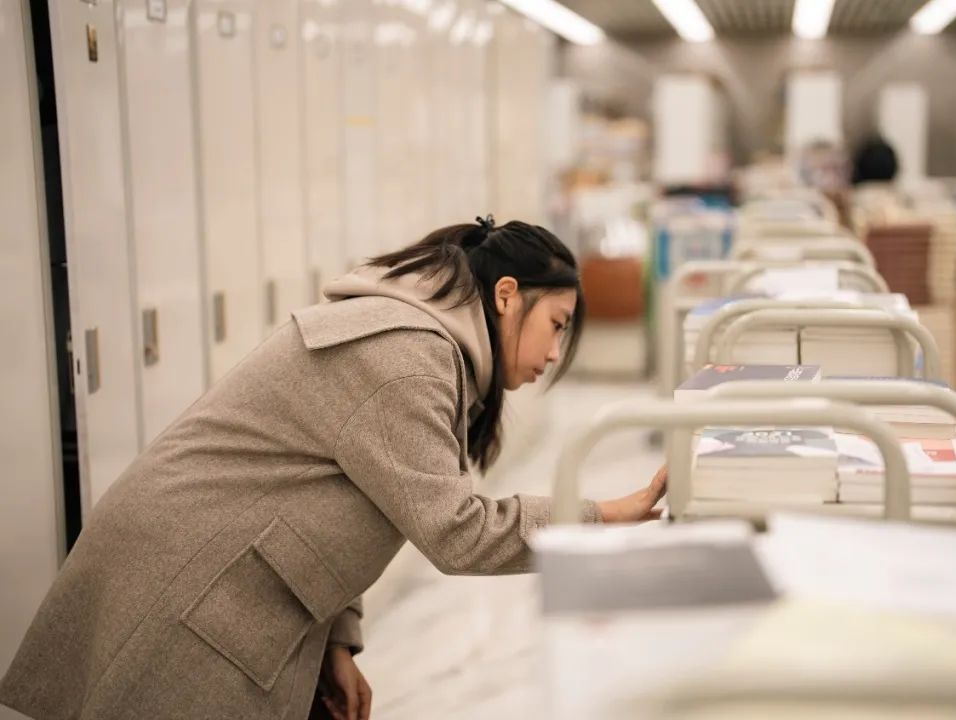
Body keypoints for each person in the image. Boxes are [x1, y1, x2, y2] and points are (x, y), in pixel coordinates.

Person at [0, 217, 667, 720]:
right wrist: (603, 515)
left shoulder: (423, 350)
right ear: (507, 296)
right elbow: (456, 531)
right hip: (190, 582)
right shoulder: (408, 361)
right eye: (557, 325)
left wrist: (337, 643)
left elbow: (347, 496)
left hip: (229, 579)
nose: (554, 353)